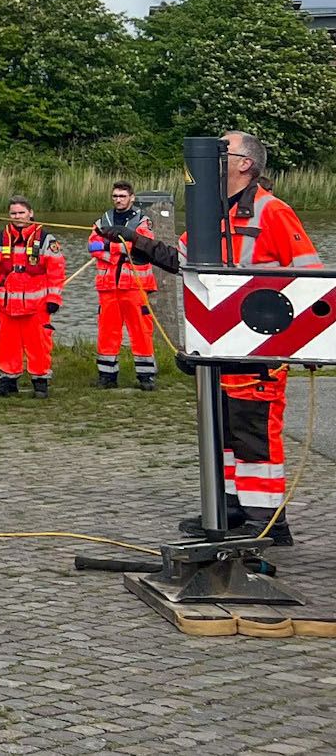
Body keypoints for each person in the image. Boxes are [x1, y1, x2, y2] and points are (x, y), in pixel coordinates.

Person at [119, 131, 323, 545]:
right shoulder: (215, 214)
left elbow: (311, 276)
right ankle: (231, 512)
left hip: (259, 348)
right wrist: (134, 242)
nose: (215, 158)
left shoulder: (272, 212)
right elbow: (183, 261)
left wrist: (298, 341)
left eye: (223, 151)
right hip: (219, 347)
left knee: (254, 437)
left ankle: (266, 523)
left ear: (246, 163)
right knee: (226, 435)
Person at [0, 195, 65, 398]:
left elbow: (56, 271)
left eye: (21, 212)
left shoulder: (47, 239)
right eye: (13, 213)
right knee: (7, 345)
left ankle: (40, 383)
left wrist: (54, 299)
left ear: (31, 213)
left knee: (39, 345)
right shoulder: (0, 238)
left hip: (36, 305)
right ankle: (7, 382)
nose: (17, 216)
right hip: (7, 305)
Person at [86, 180, 157, 390]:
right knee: (107, 331)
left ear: (132, 198)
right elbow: (92, 245)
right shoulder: (102, 221)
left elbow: (141, 246)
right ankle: (107, 376)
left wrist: (109, 247)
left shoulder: (142, 221)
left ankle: (146, 377)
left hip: (134, 285)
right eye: (115, 196)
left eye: (122, 196)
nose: (118, 199)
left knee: (141, 331)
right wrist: (118, 248)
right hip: (108, 286)